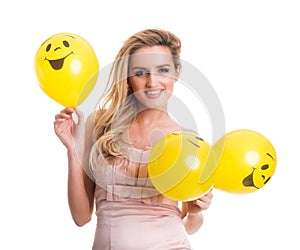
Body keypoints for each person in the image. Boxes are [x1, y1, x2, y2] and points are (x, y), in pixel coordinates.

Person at [54, 28, 213, 250]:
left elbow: (189, 224)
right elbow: (81, 217)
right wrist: (72, 149)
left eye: (163, 70)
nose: (152, 82)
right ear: (128, 77)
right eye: (140, 73)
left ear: (176, 72)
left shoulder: (187, 140)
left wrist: (196, 212)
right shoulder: (100, 126)